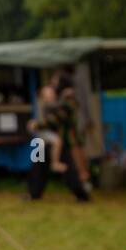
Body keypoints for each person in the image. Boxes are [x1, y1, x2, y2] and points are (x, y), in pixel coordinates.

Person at [26, 71, 89, 202]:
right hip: (47, 139)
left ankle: (81, 195)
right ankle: (34, 193)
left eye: (55, 81)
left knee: (68, 170)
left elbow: (56, 119)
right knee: (38, 165)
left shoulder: (69, 99)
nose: (53, 83)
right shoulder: (60, 97)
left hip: (62, 140)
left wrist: (37, 125)